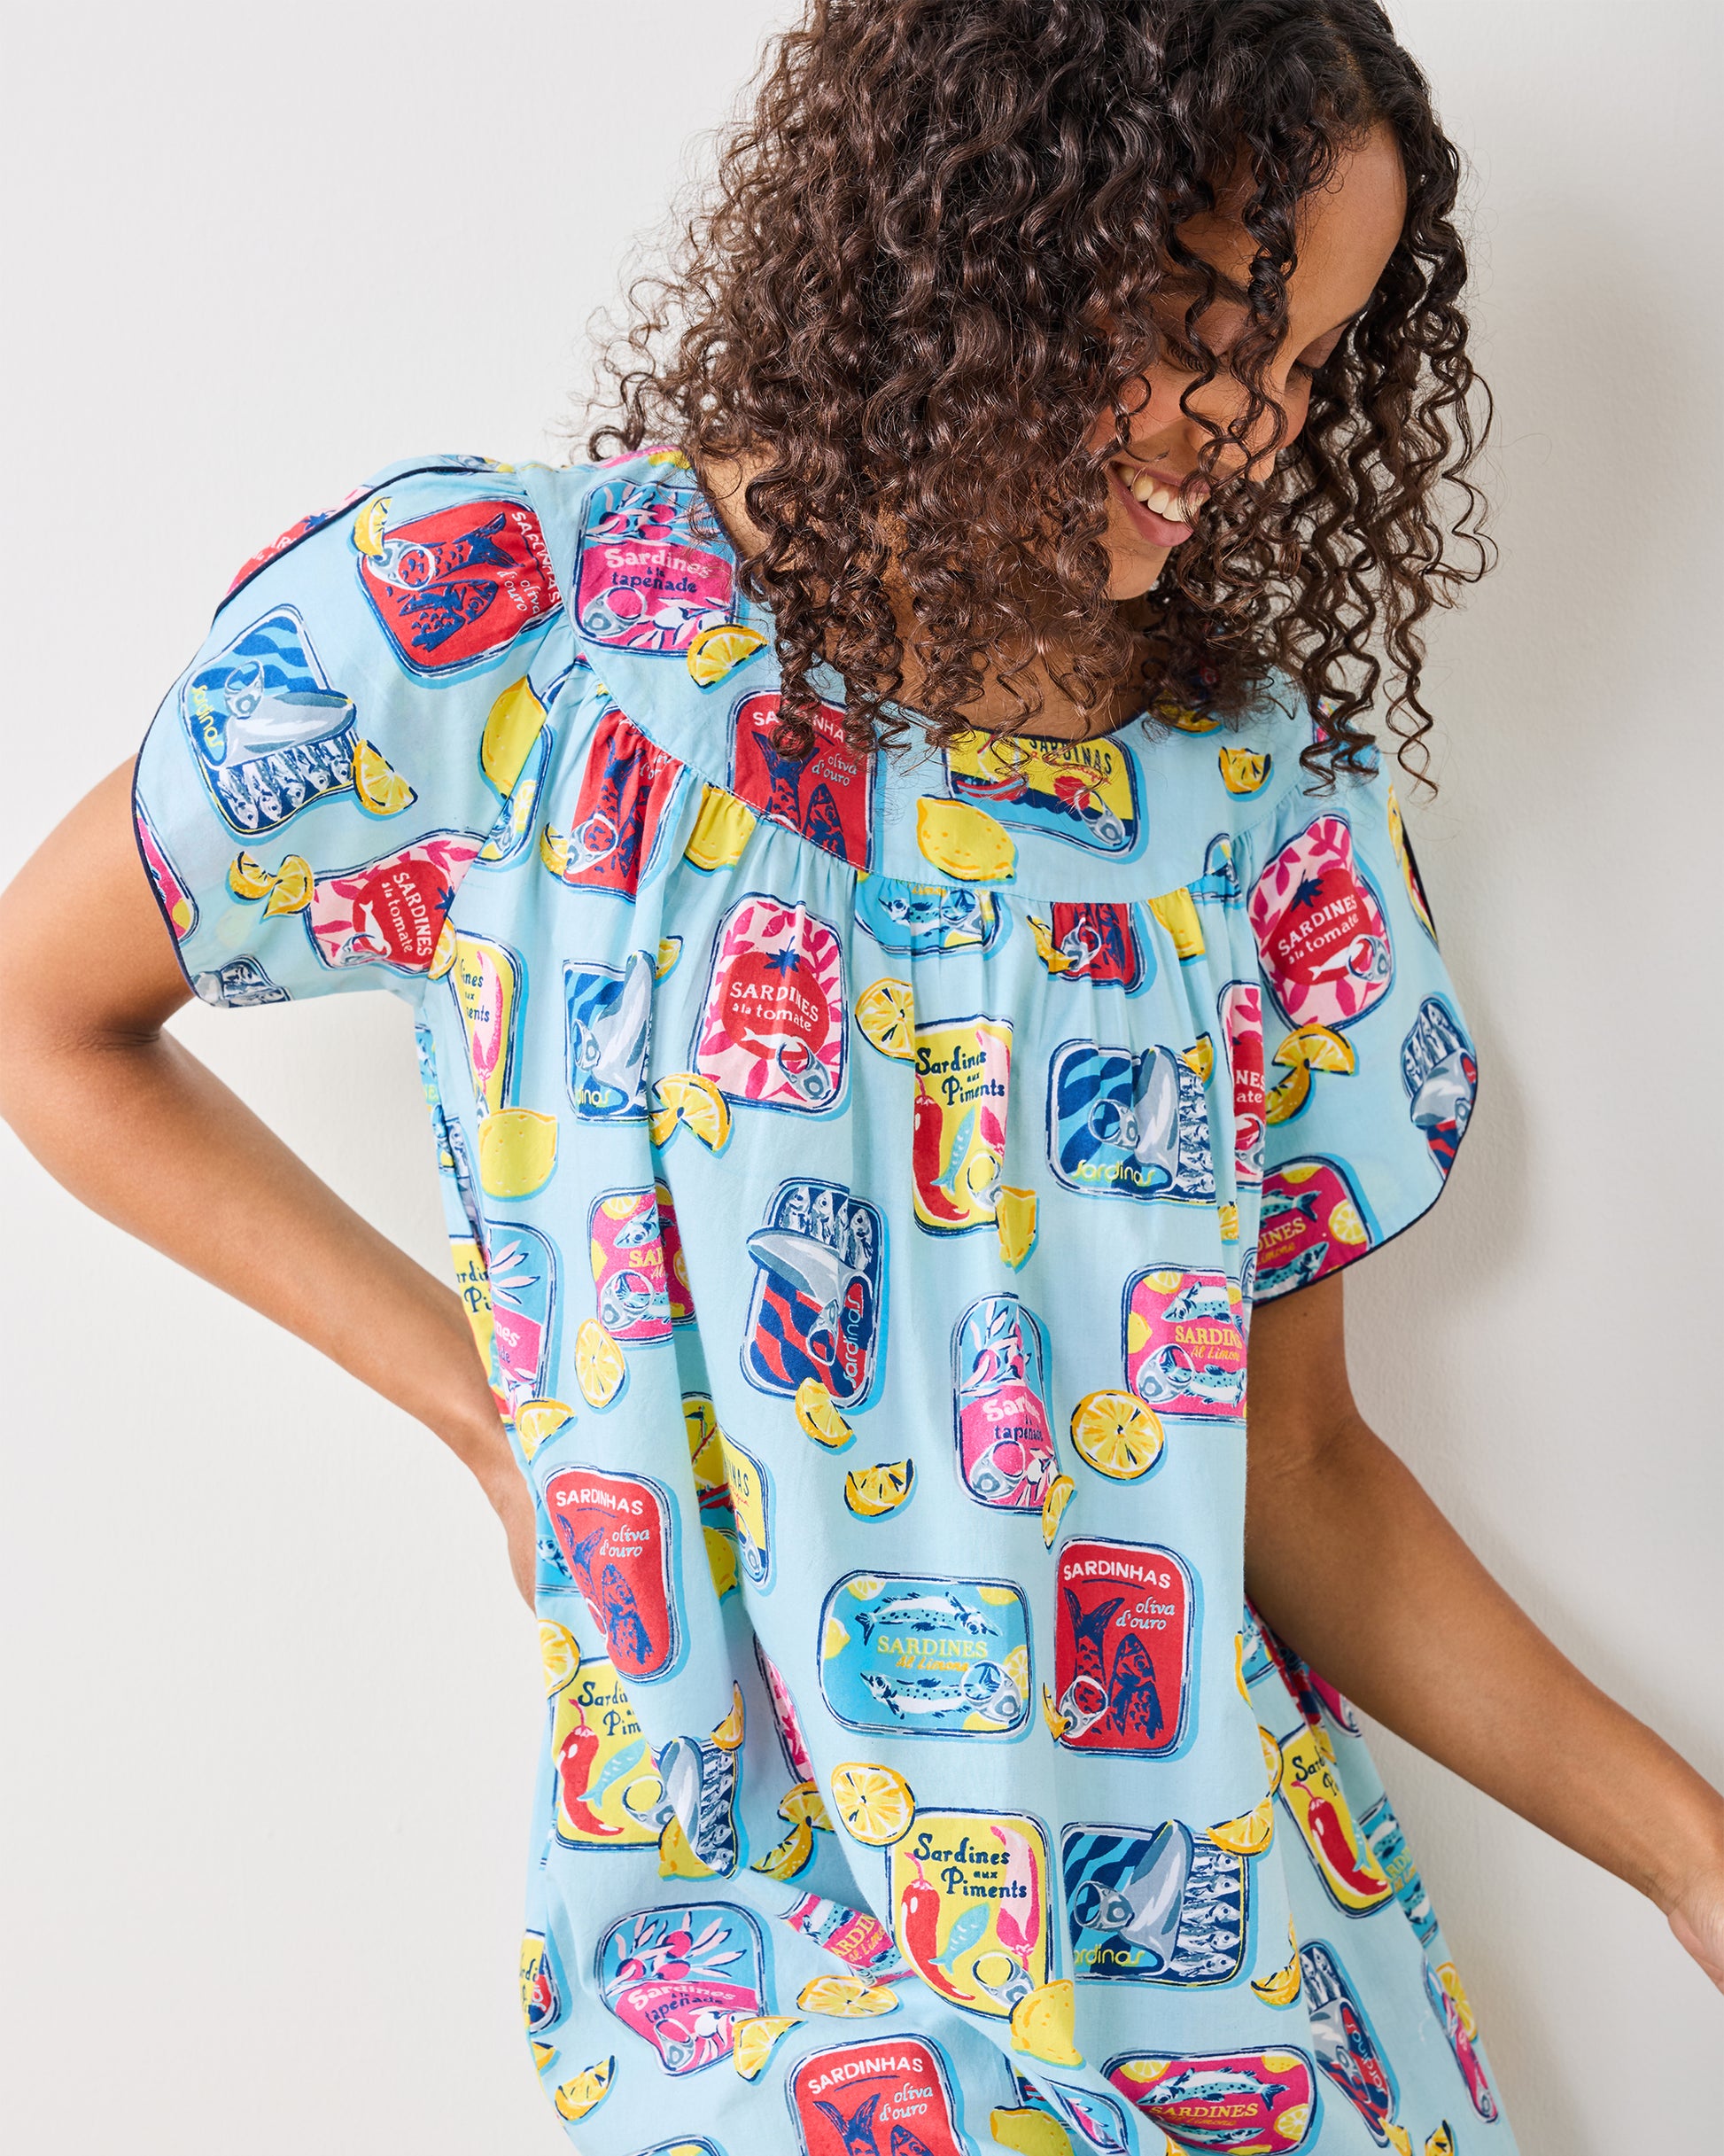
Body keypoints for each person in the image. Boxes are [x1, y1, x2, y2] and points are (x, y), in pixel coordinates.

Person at [2, 2, 1719, 2150]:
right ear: (990, 229)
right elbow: (44, 1011)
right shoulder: (507, 639)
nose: (1244, 422)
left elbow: (1294, 1470)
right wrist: (487, 1415)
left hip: (1240, 2000)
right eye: (1203, 320)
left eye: (1305, 359)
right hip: (760, 1983)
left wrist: (1690, 1854)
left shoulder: (1253, 816)